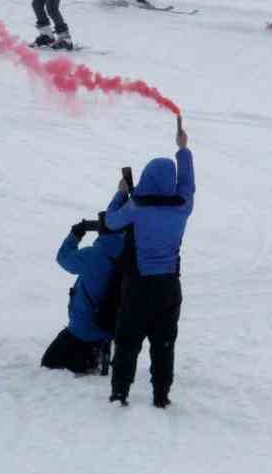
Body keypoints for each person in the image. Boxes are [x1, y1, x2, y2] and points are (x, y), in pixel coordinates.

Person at [103, 121, 194, 408]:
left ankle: (120, 393)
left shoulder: (136, 208)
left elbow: (110, 221)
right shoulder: (182, 206)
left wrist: (120, 193)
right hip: (169, 287)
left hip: (138, 286)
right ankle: (161, 395)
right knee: (164, 344)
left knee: (128, 340)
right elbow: (187, 183)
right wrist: (183, 150)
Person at [42, 216, 125, 375]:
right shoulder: (132, 255)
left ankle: (88, 359)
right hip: (112, 327)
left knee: (48, 364)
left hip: (82, 329)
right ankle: (97, 354)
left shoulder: (94, 255)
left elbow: (63, 258)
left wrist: (76, 234)